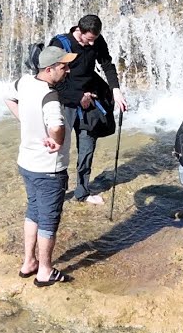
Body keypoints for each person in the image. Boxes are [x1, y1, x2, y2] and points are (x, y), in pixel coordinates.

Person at [5, 45, 77, 287]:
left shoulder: (25, 82)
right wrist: (57, 141)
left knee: (33, 211)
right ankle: (45, 270)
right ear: (49, 69)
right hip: (49, 169)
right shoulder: (50, 96)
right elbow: (56, 125)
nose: (67, 71)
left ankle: (28, 262)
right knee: (49, 221)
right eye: (63, 67)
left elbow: (8, 97)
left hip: (27, 163)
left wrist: (25, 120)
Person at [49, 14, 128, 204]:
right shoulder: (61, 45)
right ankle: (56, 190)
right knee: (59, 149)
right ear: (79, 31)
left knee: (87, 148)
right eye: (89, 39)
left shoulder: (97, 40)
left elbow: (107, 64)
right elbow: (53, 80)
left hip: (90, 101)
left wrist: (116, 90)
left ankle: (82, 192)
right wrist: (79, 97)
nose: (92, 44)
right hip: (66, 102)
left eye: (95, 39)